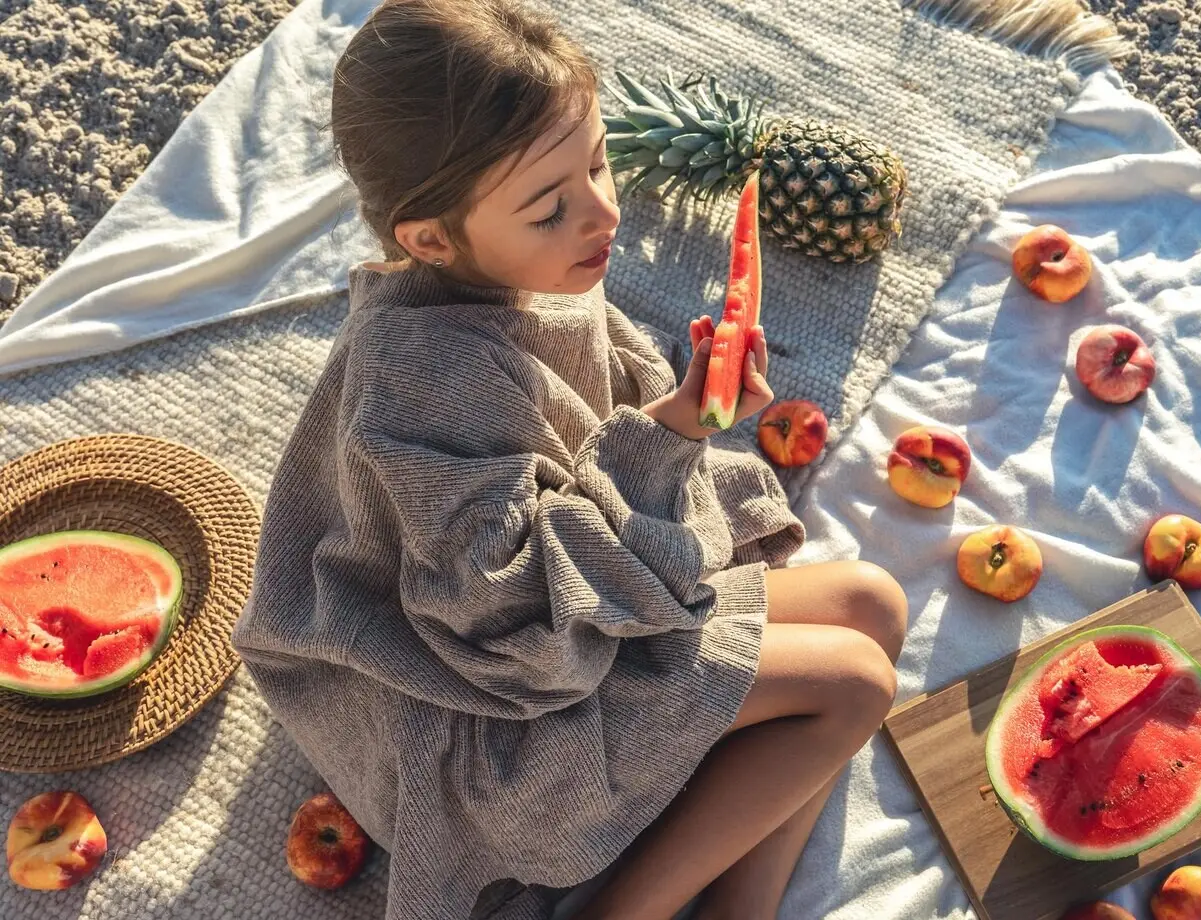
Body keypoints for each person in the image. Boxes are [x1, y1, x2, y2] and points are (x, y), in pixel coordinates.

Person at [230, 1, 909, 917]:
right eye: (551, 206)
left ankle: (737, 895)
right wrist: (671, 437)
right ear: (427, 239)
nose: (601, 213)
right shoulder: (424, 387)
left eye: (597, 163)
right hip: (475, 716)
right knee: (853, 685)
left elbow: (589, 424)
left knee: (874, 604)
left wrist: (675, 410)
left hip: (571, 614)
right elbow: (514, 641)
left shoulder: (520, 266)